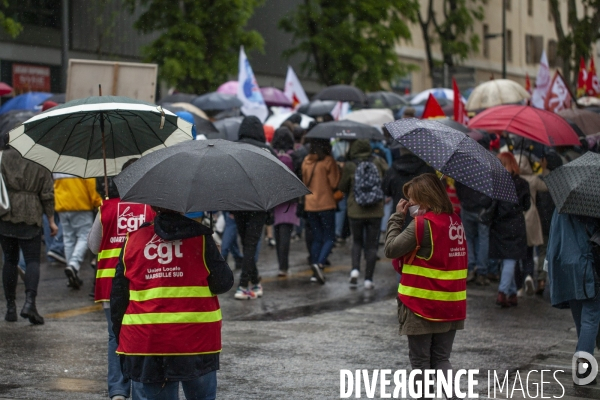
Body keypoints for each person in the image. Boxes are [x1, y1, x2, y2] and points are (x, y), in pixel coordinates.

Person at [111, 207, 234, 400]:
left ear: (152, 206)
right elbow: (223, 283)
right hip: (196, 341)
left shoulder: (132, 240)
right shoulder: (200, 237)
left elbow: (119, 297)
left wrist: (122, 338)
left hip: (147, 341)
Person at [384, 173, 467, 397]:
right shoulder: (455, 221)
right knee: (441, 359)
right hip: (451, 303)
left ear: (425, 198)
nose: (409, 204)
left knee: (420, 364)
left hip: (421, 304)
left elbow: (391, 248)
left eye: (412, 199)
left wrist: (396, 219)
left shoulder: (422, 224)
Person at [87, 158, 153, 400]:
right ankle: (141, 386)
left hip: (108, 285)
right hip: (140, 283)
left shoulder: (106, 208)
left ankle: (117, 390)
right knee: (140, 335)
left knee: (115, 336)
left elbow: (93, 247)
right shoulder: (150, 208)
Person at [1, 135, 58, 325]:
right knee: (33, 260)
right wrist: (51, 220)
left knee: (9, 260)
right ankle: (29, 303)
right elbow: (47, 194)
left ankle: (10, 307)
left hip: (6, 213)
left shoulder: (2, 157)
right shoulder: (39, 159)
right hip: (31, 214)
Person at [547, 210, 600, 386]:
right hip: (586, 266)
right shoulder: (591, 208)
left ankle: (582, 362)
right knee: (591, 318)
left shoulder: (560, 207)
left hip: (565, 266)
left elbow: (554, 237)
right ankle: (584, 369)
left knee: (580, 319)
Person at [233, 116, 274, 299]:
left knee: (246, 243)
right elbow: (272, 181)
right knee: (250, 244)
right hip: (259, 205)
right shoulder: (267, 150)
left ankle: (243, 285)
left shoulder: (233, 147)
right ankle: (255, 282)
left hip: (239, 203)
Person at [338, 139, 388, 289]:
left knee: (357, 242)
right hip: (375, 210)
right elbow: (387, 179)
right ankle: (368, 280)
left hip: (355, 210)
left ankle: (354, 271)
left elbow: (342, 187)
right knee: (372, 246)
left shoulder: (350, 165)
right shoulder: (378, 161)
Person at [491, 152, 531, 307]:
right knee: (510, 259)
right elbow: (527, 206)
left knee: (507, 259)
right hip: (516, 225)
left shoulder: (498, 183)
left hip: (500, 225)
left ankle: (511, 292)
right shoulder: (521, 183)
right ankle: (504, 292)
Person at [301, 138, 340, 284]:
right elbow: (334, 183)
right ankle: (320, 263)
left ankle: (314, 269)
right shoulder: (328, 161)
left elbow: (304, 182)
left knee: (317, 237)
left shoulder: (306, 160)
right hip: (326, 203)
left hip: (310, 204)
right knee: (329, 237)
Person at [54, 173, 102, 289]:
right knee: (85, 236)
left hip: (62, 205)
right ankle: (74, 266)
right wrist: (98, 202)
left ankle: (72, 274)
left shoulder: (59, 161)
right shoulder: (82, 163)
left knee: (68, 239)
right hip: (80, 204)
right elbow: (90, 185)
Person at [515, 154, 548, 296]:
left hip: (517, 218)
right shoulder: (533, 180)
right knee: (529, 250)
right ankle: (529, 275)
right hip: (531, 217)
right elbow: (546, 187)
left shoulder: (513, 180)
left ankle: (518, 286)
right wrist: (544, 170)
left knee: (516, 253)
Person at [271, 127, 301, 276]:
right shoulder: (294, 156)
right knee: (285, 233)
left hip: (275, 198)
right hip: (290, 199)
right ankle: (284, 265)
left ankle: (280, 264)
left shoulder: (272, 155)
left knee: (277, 232)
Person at [455, 182, 492, 286]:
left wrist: (464, 200)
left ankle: (470, 268)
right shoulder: (488, 170)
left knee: (468, 238)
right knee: (483, 239)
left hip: (467, 206)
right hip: (482, 208)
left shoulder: (465, 170)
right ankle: (482, 271)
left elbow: (458, 186)